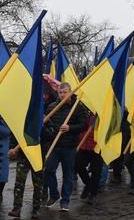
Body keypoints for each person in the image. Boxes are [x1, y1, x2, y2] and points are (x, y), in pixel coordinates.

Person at [43, 82, 86, 211]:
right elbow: (48, 124)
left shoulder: (77, 107)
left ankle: (65, 200)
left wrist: (70, 127)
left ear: (70, 92)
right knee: (49, 170)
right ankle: (54, 195)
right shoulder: (52, 107)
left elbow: (83, 124)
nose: (62, 95)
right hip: (55, 145)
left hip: (69, 146)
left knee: (68, 174)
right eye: (60, 92)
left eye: (64, 92)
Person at [75, 115, 102, 202]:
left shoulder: (104, 112)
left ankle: (93, 194)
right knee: (78, 165)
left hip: (97, 147)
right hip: (83, 145)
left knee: (96, 171)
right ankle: (88, 184)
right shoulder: (84, 112)